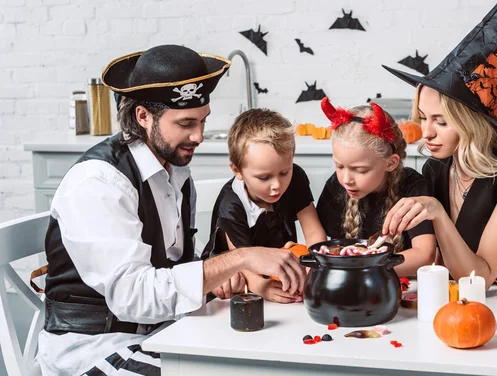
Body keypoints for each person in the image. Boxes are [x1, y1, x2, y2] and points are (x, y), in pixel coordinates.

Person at [37, 44, 306, 376]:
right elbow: (133, 296)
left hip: (162, 332)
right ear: (143, 116)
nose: (199, 135)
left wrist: (217, 277)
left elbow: (167, 268)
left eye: (203, 121)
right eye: (185, 123)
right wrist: (239, 258)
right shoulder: (99, 182)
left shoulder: (175, 172)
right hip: (95, 348)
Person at [381, 0, 497, 288]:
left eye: (441, 121)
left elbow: (480, 278)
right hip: (450, 302)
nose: (427, 133)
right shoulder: (437, 167)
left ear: (470, 122)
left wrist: (436, 213)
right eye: (423, 118)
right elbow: (434, 262)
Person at [207, 108, 327, 303]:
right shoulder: (231, 204)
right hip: (237, 284)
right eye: (264, 177)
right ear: (237, 170)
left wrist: (313, 268)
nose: (276, 186)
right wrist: (262, 287)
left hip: (282, 272)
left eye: (284, 172)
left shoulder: (295, 178)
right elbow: (241, 260)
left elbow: (314, 233)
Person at [316, 98, 436, 276]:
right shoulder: (336, 185)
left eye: (360, 170)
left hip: (403, 285)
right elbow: (335, 247)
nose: (346, 179)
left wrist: (363, 269)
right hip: (354, 284)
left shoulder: (414, 188)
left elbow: (425, 255)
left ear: (391, 163)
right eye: (339, 166)